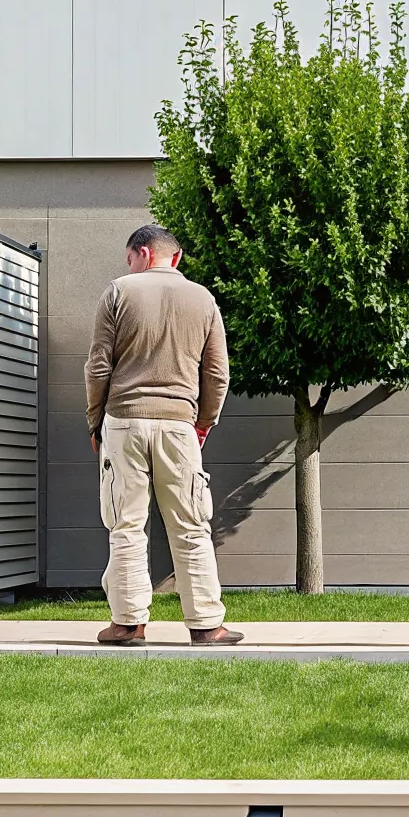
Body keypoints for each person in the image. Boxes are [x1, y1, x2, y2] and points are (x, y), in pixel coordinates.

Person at [84, 225, 240, 646]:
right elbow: (217, 373)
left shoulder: (117, 292)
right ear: (177, 257)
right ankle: (207, 625)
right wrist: (204, 422)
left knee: (126, 525)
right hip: (179, 424)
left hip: (124, 422)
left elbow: (98, 366)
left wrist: (94, 421)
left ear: (142, 252)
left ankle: (128, 623)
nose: (127, 266)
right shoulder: (203, 299)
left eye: (129, 257)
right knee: (191, 524)